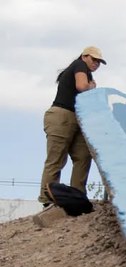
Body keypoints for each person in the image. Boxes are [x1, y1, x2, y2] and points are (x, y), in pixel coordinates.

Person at [39, 46, 106, 206]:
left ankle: (77, 198)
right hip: (62, 115)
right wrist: (91, 87)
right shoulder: (79, 65)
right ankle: (48, 200)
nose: (96, 64)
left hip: (78, 119)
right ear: (84, 56)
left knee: (83, 156)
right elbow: (81, 86)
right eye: (94, 59)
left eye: (99, 62)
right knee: (56, 159)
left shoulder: (86, 72)